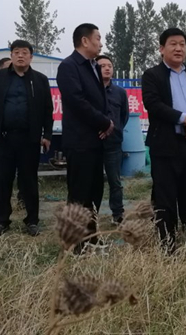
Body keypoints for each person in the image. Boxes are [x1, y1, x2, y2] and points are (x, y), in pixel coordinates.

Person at [142, 28, 186, 254]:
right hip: (165, 146)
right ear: (162, 49)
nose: (179, 48)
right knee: (166, 198)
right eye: (173, 44)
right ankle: (168, 246)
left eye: (182, 44)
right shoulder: (152, 75)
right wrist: (184, 119)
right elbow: (154, 104)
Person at [0, 40, 53, 237]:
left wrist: (47, 135)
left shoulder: (40, 80)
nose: (21, 56)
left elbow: (48, 110)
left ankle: (32, 221)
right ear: (11, 55)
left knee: (29, 181)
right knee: (3, 180)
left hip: (30, 139)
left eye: (25, 52)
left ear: (31, 57)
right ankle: (2, 221)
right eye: (17, 52)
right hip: (3, 139)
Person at [57, 24, 113, 240]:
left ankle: (91, 235)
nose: (101, 43)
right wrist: (104, 122)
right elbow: (77, 101)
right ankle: (75, 240)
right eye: (98, 38)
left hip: (96, 140)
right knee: (79, 193)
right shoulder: (69, 66)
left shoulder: (93, 66)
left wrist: (105, 124)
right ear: (85, 40)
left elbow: (101, 101)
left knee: (95, 191)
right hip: (79, 141)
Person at [0, 57, 26, 209]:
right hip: (0, 136)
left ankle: (23, 198)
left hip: (22, 136)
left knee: (24, 170)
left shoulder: (24, 84)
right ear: (0, 69)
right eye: (8, 67)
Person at [96, 55, 129, 224]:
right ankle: (91, 213)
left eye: (109, 65)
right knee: (94, 181)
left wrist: (113, 130)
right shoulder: (91, 91)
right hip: (93, 142)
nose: (107, 68)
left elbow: (124, 116)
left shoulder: (120, 92)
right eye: (102, 66)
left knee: (115, 181)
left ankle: (117, 213)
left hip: (113, 143)